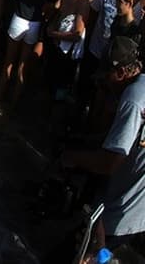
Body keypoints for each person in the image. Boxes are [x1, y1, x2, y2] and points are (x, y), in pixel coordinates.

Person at [62, 36, 145, 252]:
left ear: (120, 73)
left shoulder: (133, 98)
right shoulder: (141, 87)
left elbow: (110, 162)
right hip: (135, 206)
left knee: (78, 254)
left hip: (125, 209)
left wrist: (72, 157)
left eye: (106, 76)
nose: (104, 83)